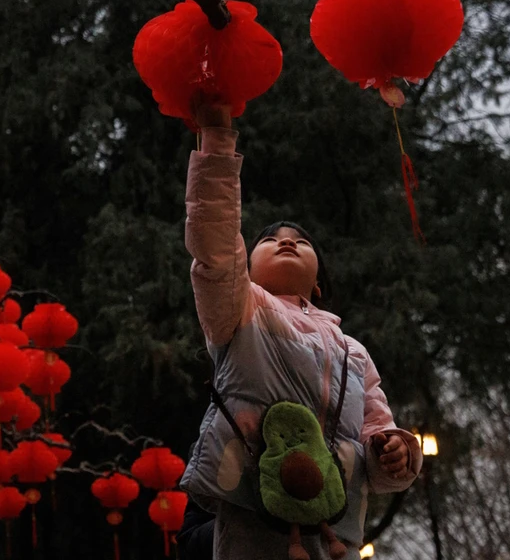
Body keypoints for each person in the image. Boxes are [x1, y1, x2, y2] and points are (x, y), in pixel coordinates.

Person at [178, 99, 422, 560]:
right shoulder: (242, 311)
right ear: (245, 268)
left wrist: (396, 451)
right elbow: (214, 245)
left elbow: (375, 429)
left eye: (301, 240)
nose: (286, 240)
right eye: (268, 239)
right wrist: (216, 140)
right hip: (251, 510)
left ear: (318, 281)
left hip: (337, 526)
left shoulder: (354, 352)